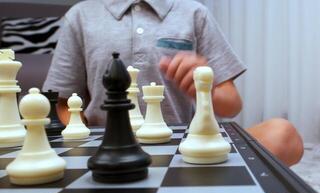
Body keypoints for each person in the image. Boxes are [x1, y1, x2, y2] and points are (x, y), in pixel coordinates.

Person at [43, 0, 303, 166]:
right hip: (106, 148)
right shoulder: (80, 15)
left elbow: (232, 105)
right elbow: (64, 102)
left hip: (185, 148)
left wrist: (205, 84)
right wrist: (79, 137)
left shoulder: (194, 12)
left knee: (282, 133)